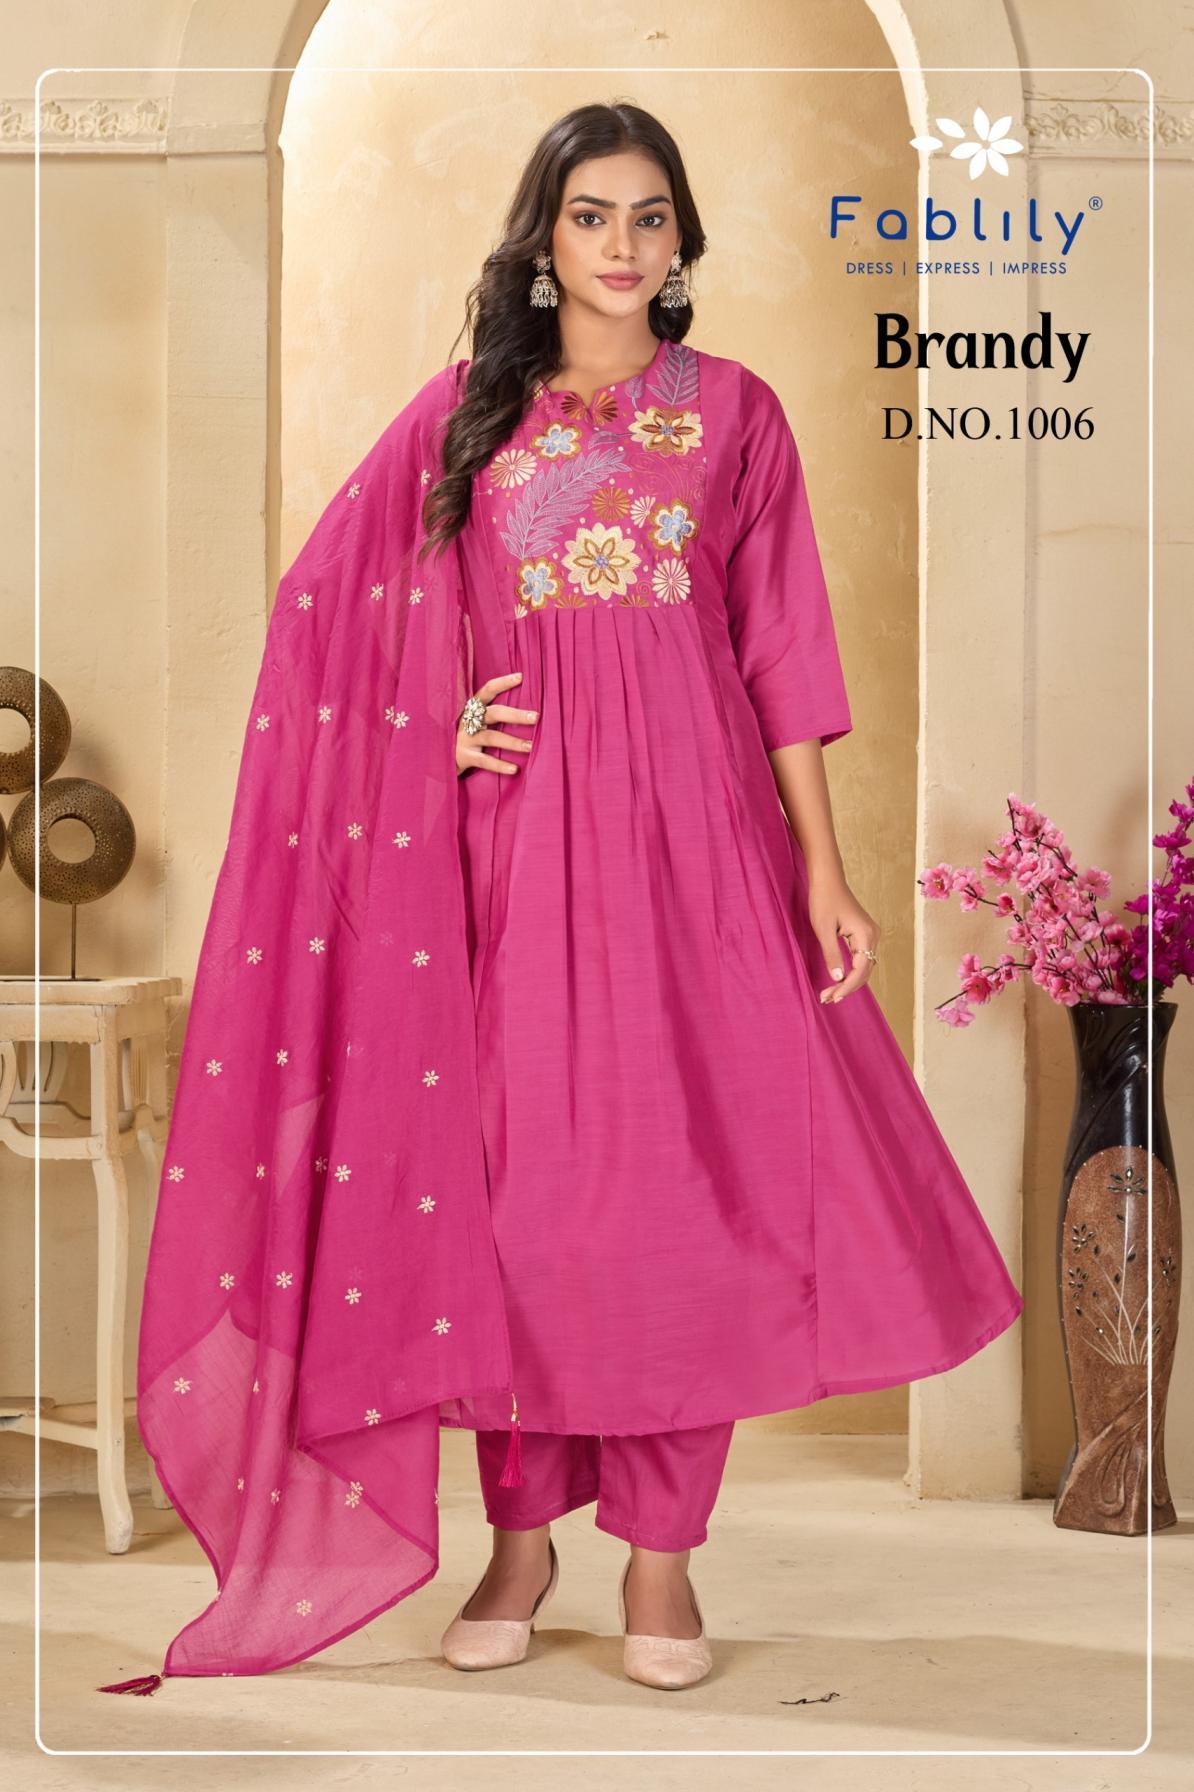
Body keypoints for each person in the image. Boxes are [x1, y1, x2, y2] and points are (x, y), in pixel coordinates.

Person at [103, 102, 1022, 1703]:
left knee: (689, 1207)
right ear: (543, 238)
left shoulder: (733, 414)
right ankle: (520, 1544)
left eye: (647, 216)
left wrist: (820, 867)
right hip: (513, 851)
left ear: (680, 239)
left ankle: (660, 1557)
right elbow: (330, 618)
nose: (620, 245)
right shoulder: (469, 414)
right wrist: (429, 732)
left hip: (702, 846)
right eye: (590, 215)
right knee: (516, 1210)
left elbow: (783, 653)